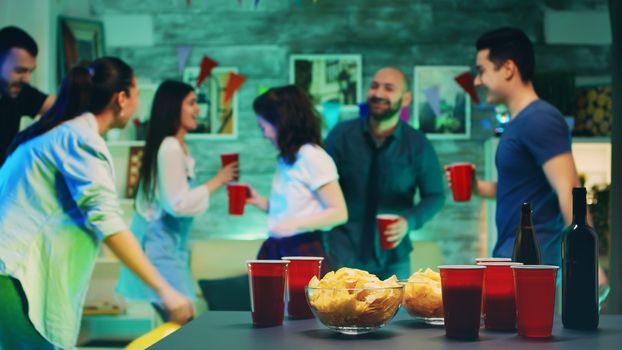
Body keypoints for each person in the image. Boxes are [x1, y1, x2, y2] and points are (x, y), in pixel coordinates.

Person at [0, 58, 193, 350]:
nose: (138, 102)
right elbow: (109, 222)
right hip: (14, 275)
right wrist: (166, 291)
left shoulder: (59, 134)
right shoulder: (80, 140)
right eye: (137, 92)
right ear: (121, 98)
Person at [116, 80, 238, 320]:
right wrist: (218, 180)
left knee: (183, 321)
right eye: (191, 103)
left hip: (171, 248)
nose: (198, 109)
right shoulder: (170, 147)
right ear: (173, 107)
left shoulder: (179, 148)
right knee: (183, 318)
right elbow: (177, 204)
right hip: (159, 249)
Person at [463, 27, 580, 267]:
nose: (477, 81)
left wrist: (588, 263)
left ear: (508, 68)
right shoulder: (518, 122)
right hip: (514, 259)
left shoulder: (540, 118)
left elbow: (569, 189)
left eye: (481, 71)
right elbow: (518, 189)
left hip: (533, 264)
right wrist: (475, 186)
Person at [324, 67, 445, 280]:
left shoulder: (418, 144)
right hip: (341, 254)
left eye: (389, 88)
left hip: (393, 261)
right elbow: (320, 183)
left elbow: (435, 196)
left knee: (397, 314)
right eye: (374, 86)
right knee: (339, 313)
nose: (378, 94)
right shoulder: (341, 135)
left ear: (406, 99)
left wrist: (409, 221)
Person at [247, 85, 348, 274]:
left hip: (301, 251)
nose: (264, 135)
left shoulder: (312, 156)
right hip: (279, 248)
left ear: (281, 122)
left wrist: (295, 224)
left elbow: (339, 213)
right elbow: (295, 209)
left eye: (264, 127)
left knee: (298, 304)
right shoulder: (288, 158)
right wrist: (262, 203)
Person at [0, 26, 55, 164]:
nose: (27, 79)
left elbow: (64, 105)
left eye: (30, 71)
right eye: (20, 70)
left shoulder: (20, 91)